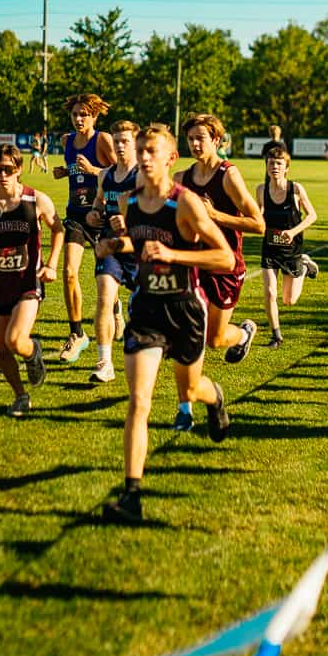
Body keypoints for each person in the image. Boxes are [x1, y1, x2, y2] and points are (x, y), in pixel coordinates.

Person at [98, 124, 235, 525]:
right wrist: (115, 244)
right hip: (147, 309)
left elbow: (225, 258)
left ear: (170, 158)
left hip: (185, 308)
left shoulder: (185, 204)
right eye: (140, 150)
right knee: (139, 401)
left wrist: (175, 256)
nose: (143, 157)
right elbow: (139, 245)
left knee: (189, 389)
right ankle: (132, 495)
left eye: (151, 151)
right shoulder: (129, 202)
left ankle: (215, 397)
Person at [172, 113, 264, 429]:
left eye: (201, 138)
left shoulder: (228, 175)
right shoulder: (182, 177)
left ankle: (244, 333)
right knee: (186, 332)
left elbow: (258, 224)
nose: (195, 144)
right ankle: (186, 404)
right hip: (195, 264)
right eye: (190, 139)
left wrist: (214, 215)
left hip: (226, 266)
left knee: (215, 339)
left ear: (216, 140)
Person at [0, 144, 64, 417]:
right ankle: (21, 396)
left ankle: (33, 351)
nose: (3, 175)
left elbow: (58, 229)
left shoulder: (35, 200)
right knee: (1, 348)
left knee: (15, 339)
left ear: (19, 169)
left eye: (8, 169)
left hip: (27, 283)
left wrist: (51, 264)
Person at [52, 94, 116, 363]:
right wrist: (65, 172)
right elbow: (75, 170)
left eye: (84, 115)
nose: (79, 119)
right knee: (69, 272)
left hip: (102, 216)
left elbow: (120, 173)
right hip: (76, 215)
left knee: (107, 279)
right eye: (75, 114)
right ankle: (77, 333)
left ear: (95, 116)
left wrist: (92, 170)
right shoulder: (66, 141)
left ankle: (115, 307)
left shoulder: (103, 140)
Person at [86, 120, 140, 383]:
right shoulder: (105, 175)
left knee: (147, 309)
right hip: (109, 247)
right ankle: (105, 363)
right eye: (116, 141)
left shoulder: (143, 176)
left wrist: (129, 219)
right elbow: (99, 201)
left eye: (125, 141)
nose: (119, 146)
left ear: (136, 144)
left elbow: (155, 211)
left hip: (138, 249)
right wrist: (94, 214)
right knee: (104, 299)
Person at [256, 146, 318, 350]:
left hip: (292, 250)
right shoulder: (261, 190)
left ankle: (305, 266)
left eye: (279, 163)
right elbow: (257, 215)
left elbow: (312, 215)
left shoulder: (296, 189)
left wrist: (292, 232)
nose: (274, 167)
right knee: (269, 292)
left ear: (286, 168)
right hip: (270, 249)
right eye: (271, 163)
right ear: (266, 166)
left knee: (289, 300)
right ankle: (276, 336)